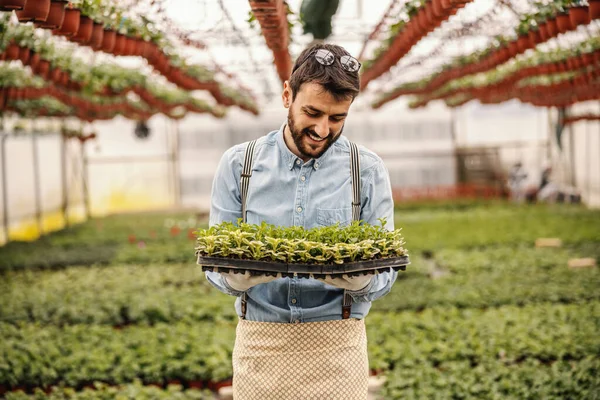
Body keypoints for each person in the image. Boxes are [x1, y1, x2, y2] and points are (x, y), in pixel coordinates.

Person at [205, 43, 397, 399]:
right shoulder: (239, 166)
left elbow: (386, 271)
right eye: (312, 112)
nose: (323, 130)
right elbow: (214, 264)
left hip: (338, 350)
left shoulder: (366, 170)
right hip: (261, 347)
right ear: (286, 95)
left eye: (337, 118)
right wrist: (234, 277)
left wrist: (362, 282)